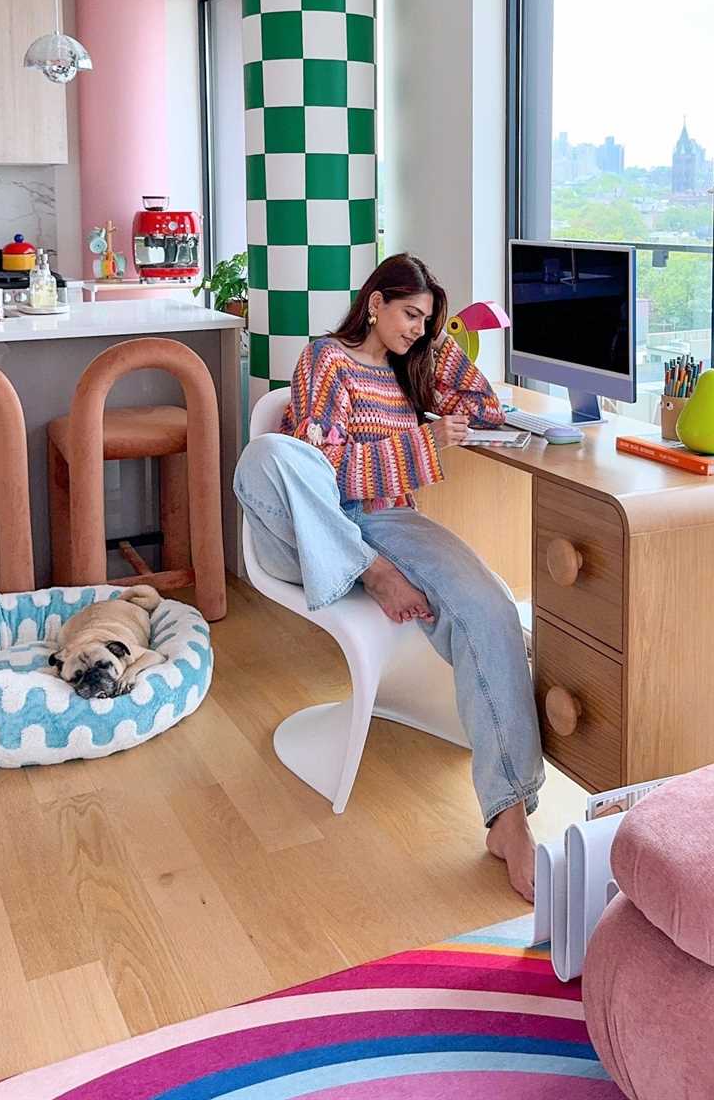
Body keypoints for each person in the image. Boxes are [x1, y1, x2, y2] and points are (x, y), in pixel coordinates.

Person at [233, 252, 544, 900]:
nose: (414, 328)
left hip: (392, 524)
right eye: (408, 313)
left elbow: (484, 410)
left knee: (490, 605)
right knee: (269, 456)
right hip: (317, 529)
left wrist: (436, 344)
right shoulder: (327, 360)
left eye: (425, 320)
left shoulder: (414, 370)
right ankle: (369, 572)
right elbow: (326, 472)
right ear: (373, 302)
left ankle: (509, 818)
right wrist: (425, 446)